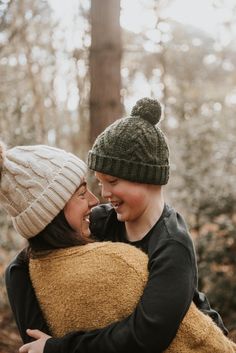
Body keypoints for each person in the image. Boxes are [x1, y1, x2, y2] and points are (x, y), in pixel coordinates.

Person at [4, 98, 228, 353]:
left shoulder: (172, 244)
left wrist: (58, 348)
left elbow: (147, 336)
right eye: (99, 182)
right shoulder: (102, 221)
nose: (104, 193)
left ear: (147, 178)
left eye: (112, 181)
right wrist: (38, 339)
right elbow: (18, 266)